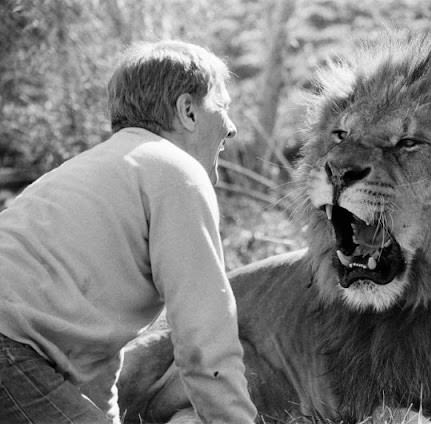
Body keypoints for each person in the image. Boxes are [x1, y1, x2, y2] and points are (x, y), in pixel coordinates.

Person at [0, 40, 257, 424]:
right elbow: (204, 333)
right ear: (188, 111)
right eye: (222, 107)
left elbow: (95, 357)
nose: (231, 128)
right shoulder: (176, 172)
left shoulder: (96, 168)